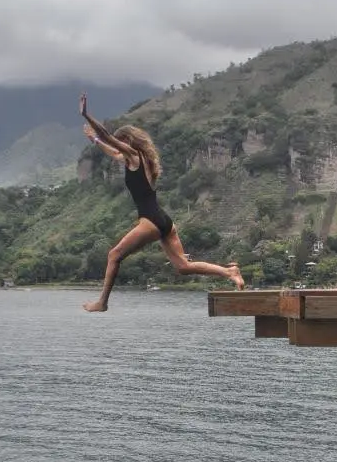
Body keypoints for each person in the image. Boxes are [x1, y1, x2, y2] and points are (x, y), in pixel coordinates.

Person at [78, 94, 244, 312]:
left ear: (128, 141)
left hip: (150, 221)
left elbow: (109, 138)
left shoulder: (135, 155)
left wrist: (86, 115)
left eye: (122, 143)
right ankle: (229, 272)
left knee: (114, 255)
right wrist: (94, 140)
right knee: (183, 266)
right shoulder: (135, 161)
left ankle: (102, 303)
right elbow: (110, 148)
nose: (119, 148)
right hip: (164, 221)